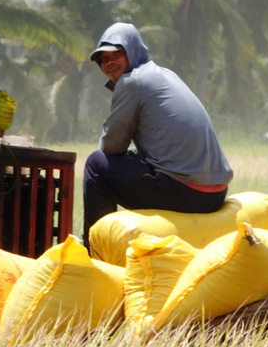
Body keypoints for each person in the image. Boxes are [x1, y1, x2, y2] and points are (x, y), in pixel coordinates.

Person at [83, 22, 233, 239]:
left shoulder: (131, 82)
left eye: (116, 54)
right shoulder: (166, 74)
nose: (109, 63)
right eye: (103, 59)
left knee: (96, 164)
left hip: (187, 192)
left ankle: (94, 247)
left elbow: (111, 146)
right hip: (216, 193)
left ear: (133, 52)